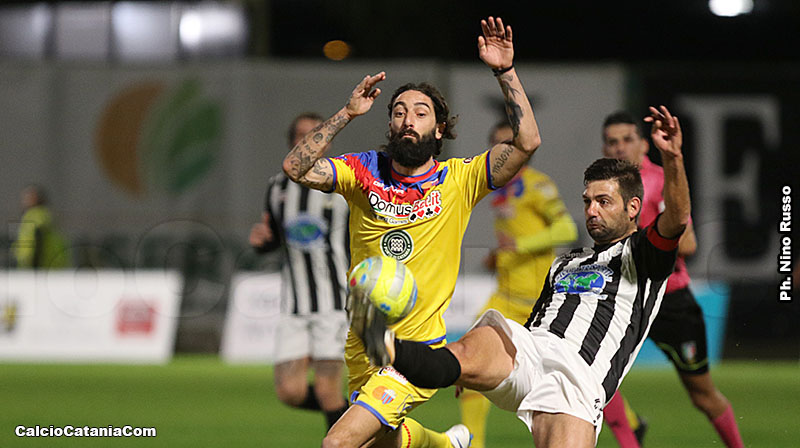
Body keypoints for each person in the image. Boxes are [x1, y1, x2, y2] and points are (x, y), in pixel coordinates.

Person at [358, 106, 691, 447]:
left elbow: (676, 220)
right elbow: (534, 321)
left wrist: (673, 158)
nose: (591, 210)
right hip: (529, 349)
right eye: (588, 201)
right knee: (460, 354)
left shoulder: (641, 256)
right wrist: (473, 369)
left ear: (633, 208)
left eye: (604, 202)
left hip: (575, 379)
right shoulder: (566, 263)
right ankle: (387, 345)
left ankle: (443, 437)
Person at [282, 16, 541, 448]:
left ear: (438, 129)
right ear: (389, 125)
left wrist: (505, 71)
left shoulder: (460, 179)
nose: (408, 120)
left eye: (421, 113)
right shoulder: (362, 170)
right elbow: (295, 167)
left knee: (338, 443)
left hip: (416, 350)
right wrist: (348, 113)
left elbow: (527, 142)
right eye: (399, 112)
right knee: (381, 443)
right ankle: (446, 445)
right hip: (362, 343)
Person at [600, 111, 744, 448]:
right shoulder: (605, 188)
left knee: (703, 395)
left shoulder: (662, 181)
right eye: (612, 142)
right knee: (595, 374)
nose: (619, 147)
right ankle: (631, 440)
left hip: (670, 299)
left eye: (627, 140)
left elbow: (689, 244)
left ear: (643, 144)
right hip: (628, 298)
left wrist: (643, 240)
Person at [458, 121, 577, 448]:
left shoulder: (538, 185)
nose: (503, 150)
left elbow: (566, 229)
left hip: (539, 302)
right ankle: (472, 443)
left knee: (570, 379)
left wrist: (520, 246)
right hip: (505, 296)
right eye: (497, 144)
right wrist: (499, 255)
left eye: (509, 144)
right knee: (469, 363)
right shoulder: (501, 188)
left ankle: (630, 424)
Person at [249, 113, 350, 431]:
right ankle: (362, 420)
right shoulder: (277, 187)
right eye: (301, 135)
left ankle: (345, 436)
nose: (308, 140)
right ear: (291, 141)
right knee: (289, 391)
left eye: (315, 134)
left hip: (334, 303)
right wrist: (262, 242)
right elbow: (275, 238)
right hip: (294, 305)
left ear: (327, 141)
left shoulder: (343, 183)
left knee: (327, 389)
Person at [13, 184, 70, 269]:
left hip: (40, 267)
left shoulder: (36, 215)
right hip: (49, 265)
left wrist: (35, 264)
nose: (24, 200)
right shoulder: (46, 215)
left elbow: (38, 238)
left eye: (28, 197)